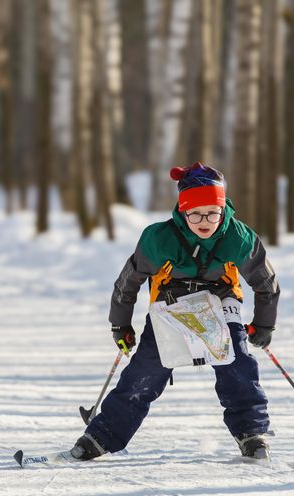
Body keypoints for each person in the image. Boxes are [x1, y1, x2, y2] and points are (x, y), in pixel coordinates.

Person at [71, 162, 280, 461]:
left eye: (212, 212)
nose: (204, 221)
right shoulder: (159, 239)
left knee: (236, 361)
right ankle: (101, 436)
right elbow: (127, 283)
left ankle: (251, 432)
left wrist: (263, 325)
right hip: (171, 302)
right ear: (182, 211)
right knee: (146, 371)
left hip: (220, 300)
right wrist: (121, 326)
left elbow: (266, 282)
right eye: (195, 213)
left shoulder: (239, 237)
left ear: (223, 210)